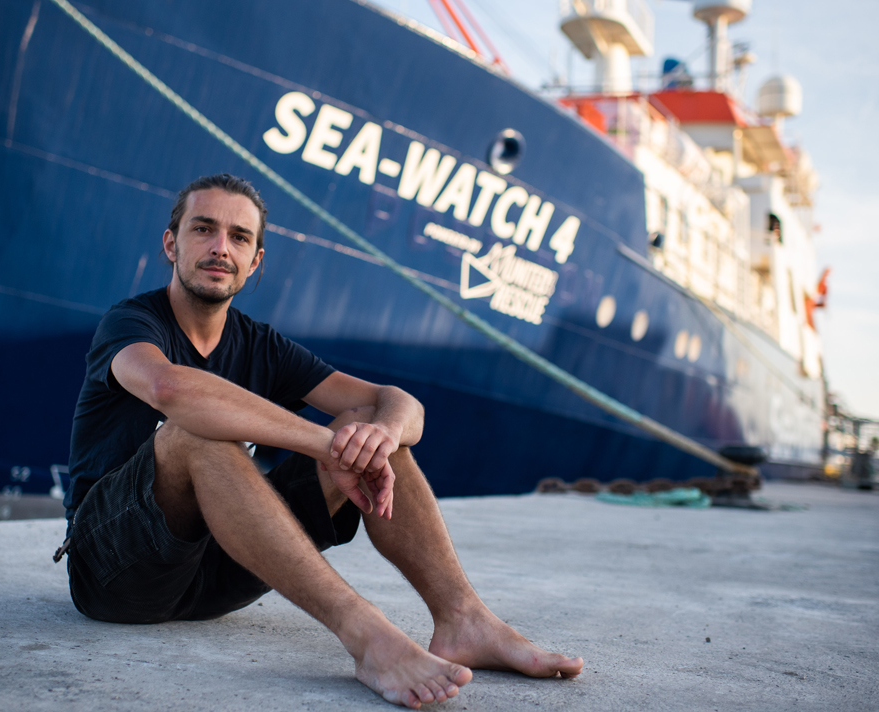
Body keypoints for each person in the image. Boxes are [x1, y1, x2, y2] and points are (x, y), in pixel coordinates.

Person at [60, 173, 583, 708]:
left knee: (374, 432)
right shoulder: (130, 322)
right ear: (171, 244)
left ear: (256, 260)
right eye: (204, 229)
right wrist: (322, 443)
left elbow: (401, 405)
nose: (221, 248)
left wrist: (377, 434)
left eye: (240, 237)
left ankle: (464, 621)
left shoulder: (261, 344)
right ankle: (368, 636)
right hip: (117, 570)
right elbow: (169, 388)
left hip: (219, 573)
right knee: (198, 432)